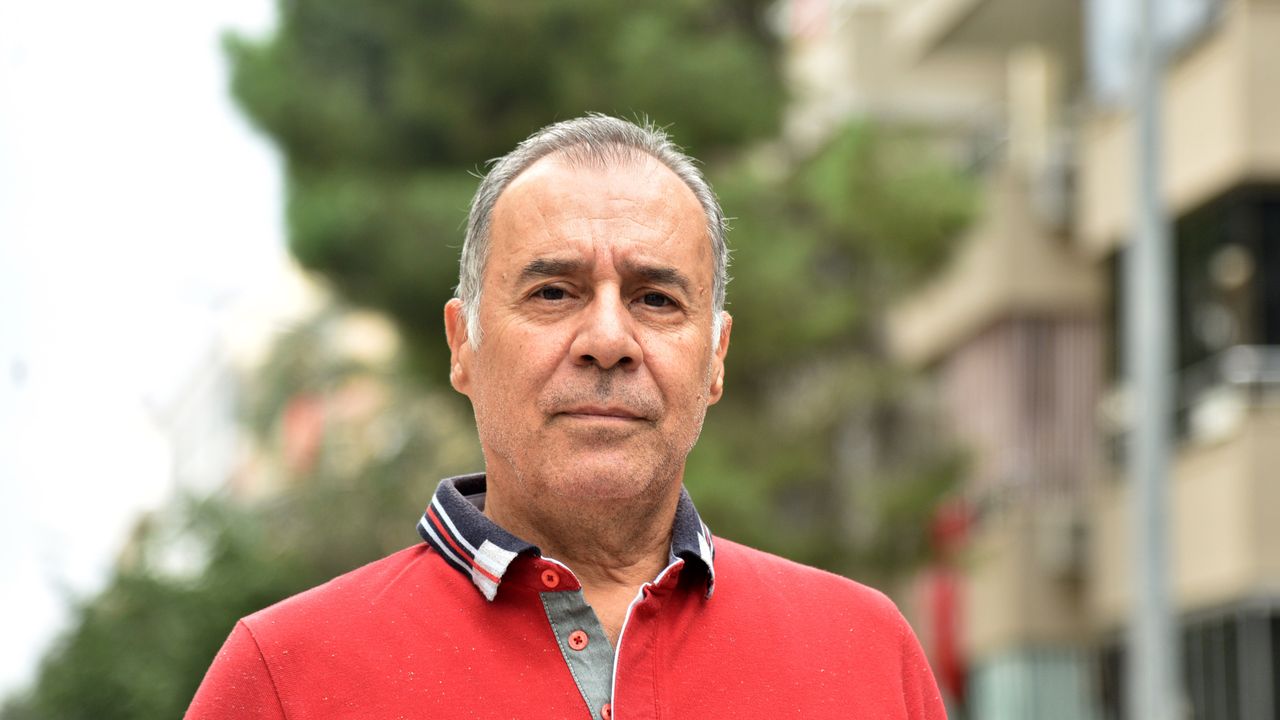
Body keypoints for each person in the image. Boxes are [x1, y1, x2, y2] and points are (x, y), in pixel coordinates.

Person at [185, 115, 946, 719]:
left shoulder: (867, 655)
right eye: (553, 292)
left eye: (656, 299)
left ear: (715, 358)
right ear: (463, 345)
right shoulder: (285, 677)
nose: (608, 340)